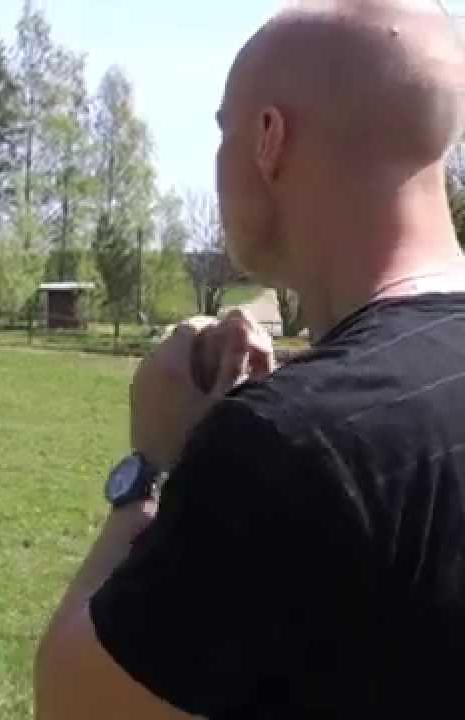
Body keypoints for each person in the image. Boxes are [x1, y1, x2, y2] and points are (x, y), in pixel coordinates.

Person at [33, 1, 465, 718]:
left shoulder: (293, 444)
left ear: (269, 141)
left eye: (222, 130)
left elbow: (75, 701)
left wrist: (151, 463)